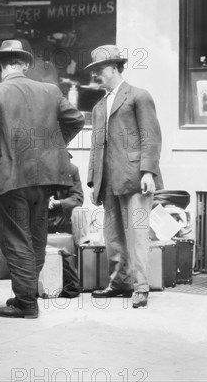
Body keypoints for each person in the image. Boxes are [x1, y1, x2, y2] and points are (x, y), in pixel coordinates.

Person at [0, 39, 84, 319]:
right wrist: (52, 148)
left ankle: (26, 302)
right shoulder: (50, 90)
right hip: (46, 179)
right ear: (25, 65)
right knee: (36, 238)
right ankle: (25, 295)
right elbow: (75, 120)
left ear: (0, 65)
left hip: (10, 179)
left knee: (16, 239)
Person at [85, 45, 163, 309]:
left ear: (117, 68)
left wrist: (149, 172)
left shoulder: (139, 96)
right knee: (113, 235)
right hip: (108, 181)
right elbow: (96, 146)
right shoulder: (99, 107)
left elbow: (151, 137)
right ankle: (119, 284)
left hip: (136, 178)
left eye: (100, 69)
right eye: (93, 70)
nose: (96, 75)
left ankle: (141, 287)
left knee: (138, 234)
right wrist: (94, 180)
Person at [47, 156, 84, 235]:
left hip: (63, 216)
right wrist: (44, 202)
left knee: (78, 211)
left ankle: (82, 244)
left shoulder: (72, 170)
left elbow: (78, 198)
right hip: (41, 218)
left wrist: (58, 203)